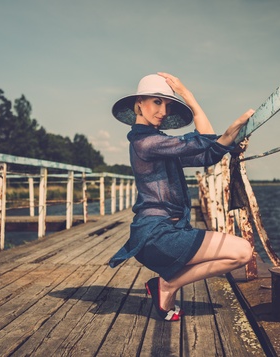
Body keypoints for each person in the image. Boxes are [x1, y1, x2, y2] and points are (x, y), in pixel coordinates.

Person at [109, 72, 254, 321]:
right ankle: (166, 285)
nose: (163, 111)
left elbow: (207, 155)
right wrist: (188, 95)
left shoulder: (158, 142)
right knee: (242, 251)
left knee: (241, 252)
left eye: (167, 104)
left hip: (170, 231)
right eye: (157, 101)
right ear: (139, 103)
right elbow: (204, 140)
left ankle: (166, 285)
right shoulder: (145, 143)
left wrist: (231, 134)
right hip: (157, 236)